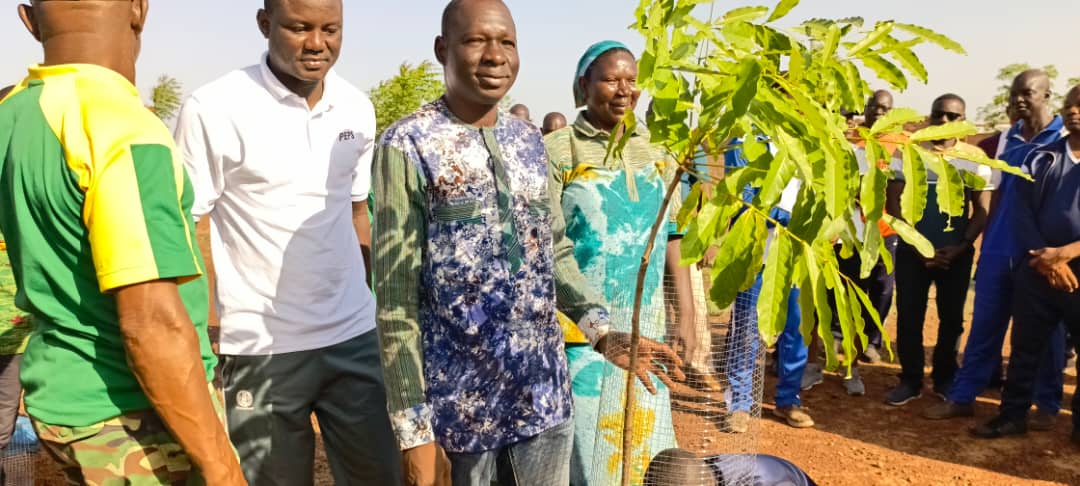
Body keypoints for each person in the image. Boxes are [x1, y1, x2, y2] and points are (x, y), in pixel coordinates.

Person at [373, 3, 682, 486]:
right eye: (477, 41)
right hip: (460, 409)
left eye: (507, 42)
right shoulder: (408, 144)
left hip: (543, 396)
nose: (494, 56)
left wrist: (601, 330)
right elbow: (395, 299)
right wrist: (414, 433)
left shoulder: (528, 141)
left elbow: (553, 249)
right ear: (442, 49)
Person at [0, 1, 244, 484]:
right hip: (135, 415)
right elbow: (150, 322)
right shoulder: (120, 128)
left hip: (65, 401)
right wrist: (220, 466)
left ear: (29, 20)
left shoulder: (16, 110)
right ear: (139, 8)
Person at [173, 0, 400, 483]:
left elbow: (357, 209)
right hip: (259, 345)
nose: (317, 44)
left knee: (382, 475)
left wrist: (366, 301)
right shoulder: (214, 108)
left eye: (330, 29)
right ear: (264, 24)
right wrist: (208, 333)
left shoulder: (357, 108)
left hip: (352, 337)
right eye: (299, 28)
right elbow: (194, 224)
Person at [545, 41, 691, 484]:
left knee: (650, 453)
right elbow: (548, 245)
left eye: (631, 80)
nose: (623, 90)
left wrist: (685, 312)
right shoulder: (559, 150)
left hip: (648, 331)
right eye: (611, 79)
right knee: (591, 459)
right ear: (584, 85)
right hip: (583, 335)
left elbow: (674, 236)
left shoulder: (660, 152)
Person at [924, 70, 1067, 425]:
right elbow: (997, 194)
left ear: (1047, 95)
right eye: (1014, 92)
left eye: (1028, 93)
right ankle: (962, 396)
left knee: (1045, 332)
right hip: (999, 247)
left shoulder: (1064, 137)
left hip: (1041, 249)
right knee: (985, 325)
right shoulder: (1007, 138)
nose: (1019, 99)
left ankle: (1046, 404)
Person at [971, 85, 1080, 443]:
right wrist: (1045, 257)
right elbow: (1020, 211)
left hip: (1074, 270)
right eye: (1071, 104)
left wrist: (1066, 253)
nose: (1075, 110)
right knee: (1024, 346)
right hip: (1036, 267)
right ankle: (1012, 415)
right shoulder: (1042, 156)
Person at [884, 94, 994, 406]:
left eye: (951, 116)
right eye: (937, 115)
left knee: (952, 319)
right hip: (912, 252)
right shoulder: (907, 153)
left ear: (963, 121)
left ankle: (945, 378)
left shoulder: (975, 157)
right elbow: (893, 202)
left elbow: (982, 210)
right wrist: (918, 245)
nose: (943, 121)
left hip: (955, 256)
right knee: (909, 317)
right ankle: (910, 380)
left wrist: (960, 247)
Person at [722, 139, 812, 432]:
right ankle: (739, 404)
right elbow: (741, 198)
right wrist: (783, 219)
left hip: (796, 253)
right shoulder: (746, 139)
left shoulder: (810, 140)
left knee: (795, 327)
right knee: (747, 326)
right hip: (757, 251)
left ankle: (789, 399)